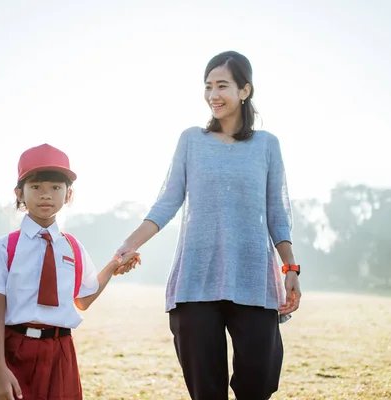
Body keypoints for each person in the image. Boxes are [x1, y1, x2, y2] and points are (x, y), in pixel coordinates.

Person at [114, 50, 302, 400]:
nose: (213, 95)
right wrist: (130, 243)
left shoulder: (267, 145)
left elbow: (277, 214)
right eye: (208, 86)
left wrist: (290, 267)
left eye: (222, 86)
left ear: (245, 91)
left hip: (252, 279)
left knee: (260, 380)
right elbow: (167, 202)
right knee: (206, 390)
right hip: (196, 281)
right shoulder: (191, 141)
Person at [0, 143, 139, 400]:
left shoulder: (73, 247)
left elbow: (83, 299)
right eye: (36, 187)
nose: (46, 195)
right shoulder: (5, 247)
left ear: (68, 195)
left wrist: (114, 265)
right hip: (15, 349)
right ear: (19, 194)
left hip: (61, 351)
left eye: (55, 188)